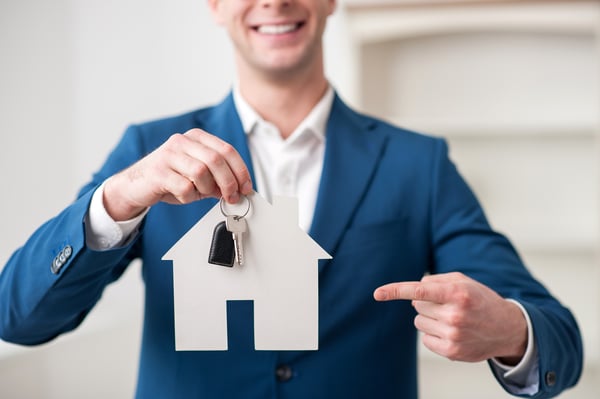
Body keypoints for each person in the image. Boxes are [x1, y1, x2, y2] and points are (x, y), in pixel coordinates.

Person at [0, 0, 582, 398]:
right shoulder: (149, 152)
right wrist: (115, 201)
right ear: (215, 4)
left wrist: (509, 330)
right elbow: (17, 317)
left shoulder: (417, 165)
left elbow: (560, 340)